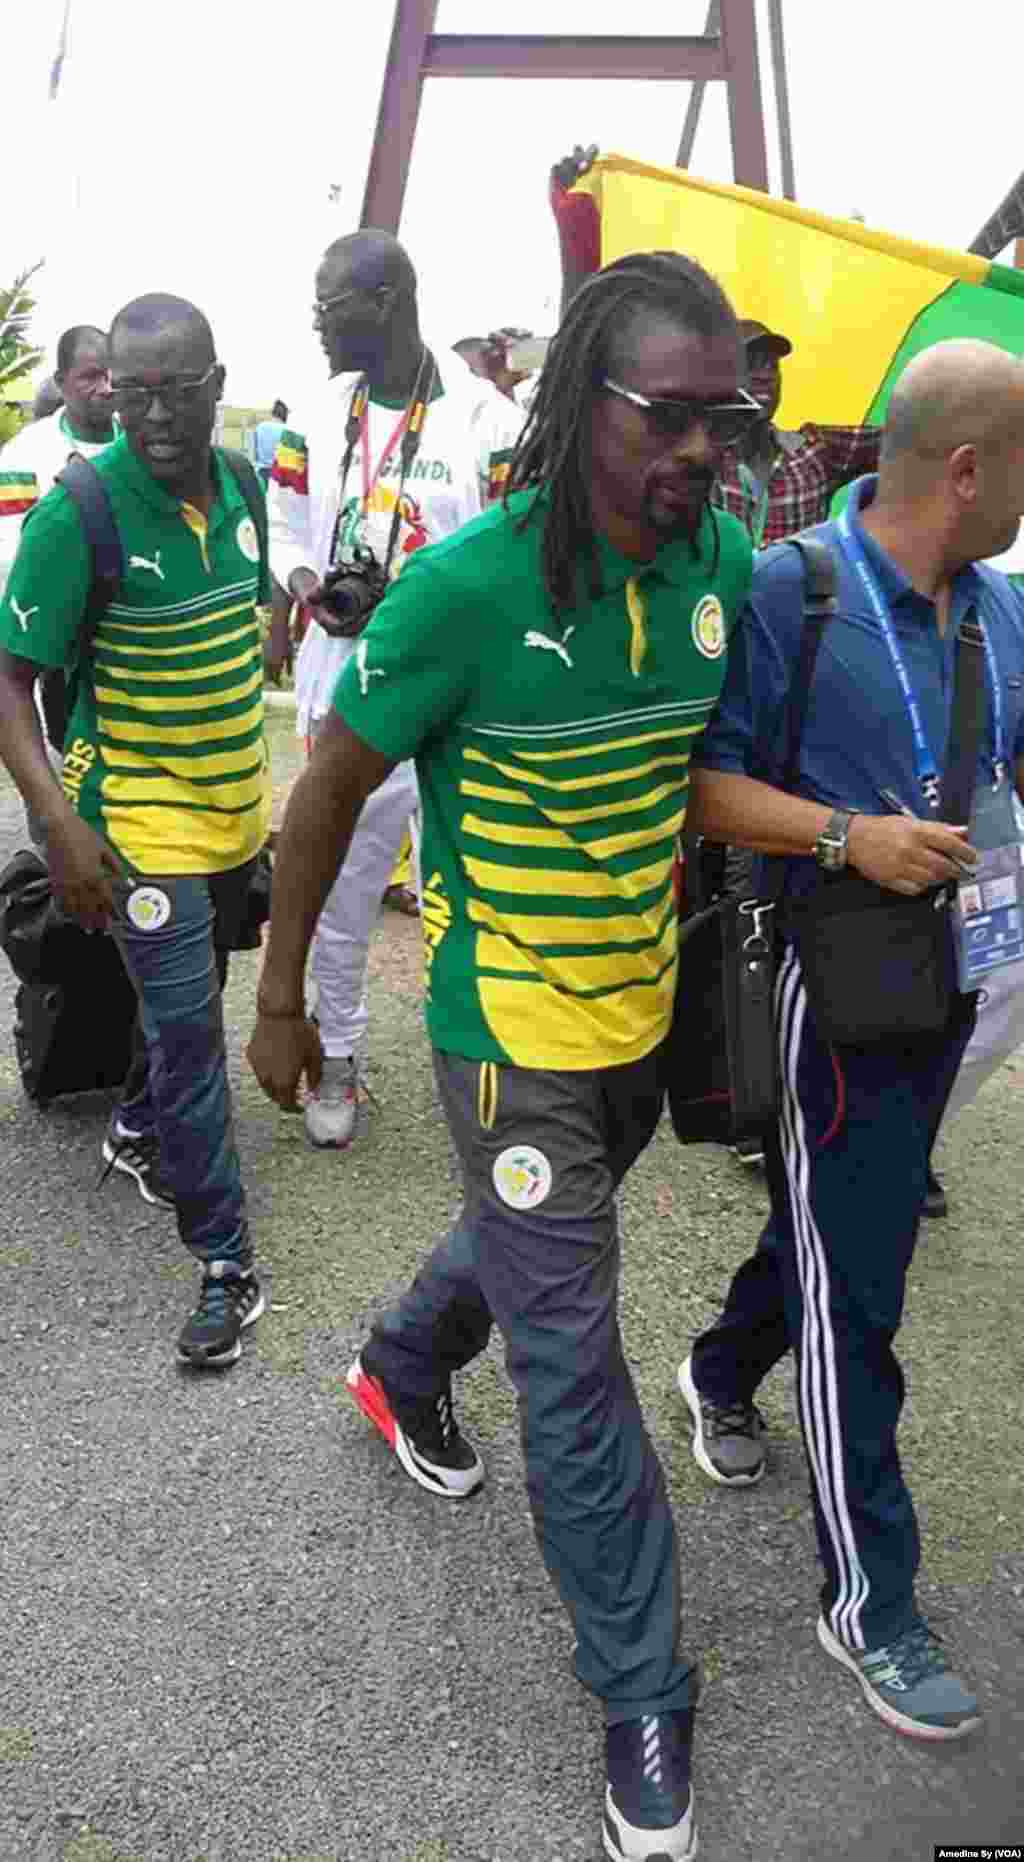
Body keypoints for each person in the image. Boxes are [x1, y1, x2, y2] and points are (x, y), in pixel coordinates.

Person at [249, 249, 759, 1862]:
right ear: (579, 406)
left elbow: (698, 777)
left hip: (634, 1016)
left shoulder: (718, 570)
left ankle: (400, 1363)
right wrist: (275, 1005)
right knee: (571, 1355)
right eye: (667, 416)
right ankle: (638, 1689)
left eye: (719, 420)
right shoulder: (462, 592)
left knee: (538, 1239)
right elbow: (327, 790)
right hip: (501, 1042)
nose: (697, 450)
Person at [677, 337, 1024, 1743]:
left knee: (847, 1224)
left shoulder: (1002, 609)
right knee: (858, 1291)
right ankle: (869, 1597)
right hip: (833, 981)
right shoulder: (793, 591)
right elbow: (700, 785)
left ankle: (715, 1367)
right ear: (964, 469)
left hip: (957, 981)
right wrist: (847, 834)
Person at [0, 293, 271, 1370]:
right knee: (194, 1031)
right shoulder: (79, 509)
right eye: (131, 388)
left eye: (175, 388)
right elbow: (10, 681)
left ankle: (138, 1126)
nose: (152, 412)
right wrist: (59, 824)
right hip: (139, 824)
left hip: (233, 813)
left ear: (215, 383)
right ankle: (223, 1262)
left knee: (195, 999)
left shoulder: (244, 481)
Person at [266, 227, 522, 1151]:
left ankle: (502, 1065)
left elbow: (513, 553)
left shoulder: (488, 419)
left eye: (328, 307)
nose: (317, 325)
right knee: (338, 885)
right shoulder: (315, 415)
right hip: (348, 689)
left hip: (462, 698)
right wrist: (308, 591)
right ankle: (338, 1054)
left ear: (384, 301)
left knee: (480, 886)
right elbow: (287, 530)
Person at [549, 146, 883, 547]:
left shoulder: (816, 451)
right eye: (751, 361)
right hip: (706, 608)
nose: (764, 373)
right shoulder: (692, 455)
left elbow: (913, 434)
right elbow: (579, 386)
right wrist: (576, 228)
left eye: (772, 364)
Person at [0, 326, 114, 597]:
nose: (106, 388)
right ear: (61, 382)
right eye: (91, 377)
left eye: (111, 375)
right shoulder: (24, 453)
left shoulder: (139, 441)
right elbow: (11, 550)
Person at [250, 397, 288, 486]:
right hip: (279, 475)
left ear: (273, 413)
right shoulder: (287, 430)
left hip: (261, 473)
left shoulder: (260, 427)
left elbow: (254, 454)